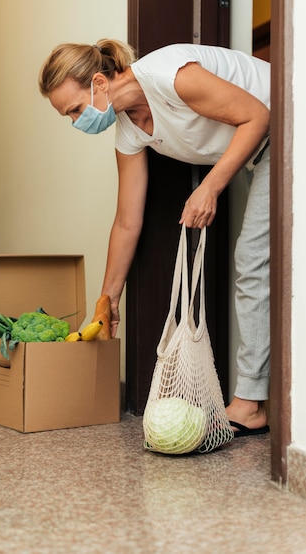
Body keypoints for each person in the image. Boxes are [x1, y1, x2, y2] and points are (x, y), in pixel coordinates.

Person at [38, 39, 271, 437]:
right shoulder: (129, 131)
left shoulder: (170, 76)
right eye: (69, 117)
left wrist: (210, 188)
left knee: (252, 261)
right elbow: (127, 221)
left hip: (286, 122)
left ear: (98, 82)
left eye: (75, 109)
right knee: (260, 262)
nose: (76, 122)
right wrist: (107, 301)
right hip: (257, 153)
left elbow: (257, 116)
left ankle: (249, 404)